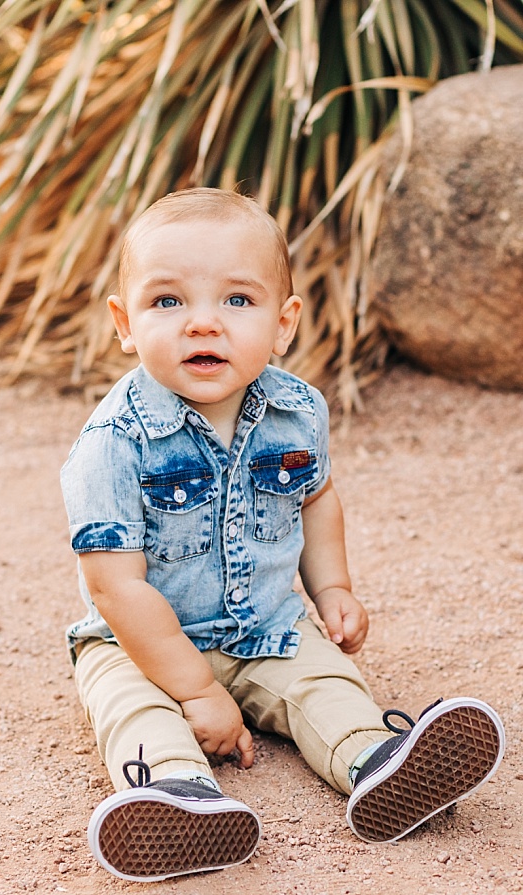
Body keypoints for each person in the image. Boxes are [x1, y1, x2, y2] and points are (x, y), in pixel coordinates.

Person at [60, 187, 505, 883]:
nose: (203, 324)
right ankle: (177, 794)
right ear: (125, 322)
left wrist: (333, 588)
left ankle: (376, 760)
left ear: (283, 322)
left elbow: (317, 497)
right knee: (132, 706)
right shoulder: (112, 443)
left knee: (323, 677)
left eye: (237, 301)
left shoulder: (298, 412)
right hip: (137, 644)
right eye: (168, 301)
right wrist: (197, 690)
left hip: (265, 625)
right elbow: (115, 587)